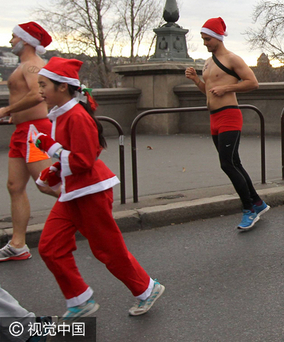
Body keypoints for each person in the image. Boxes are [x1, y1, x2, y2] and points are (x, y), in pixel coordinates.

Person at [34, 57, 164, 319]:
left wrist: (48, 147)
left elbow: (82, 160)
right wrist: (54, 171)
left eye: (43, 84)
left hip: (91, 192)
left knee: (108, 249)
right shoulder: (64, 114)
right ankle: (79, 299)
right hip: (75, 192)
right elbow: (74, 156)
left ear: (61, 87)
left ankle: (146, 289)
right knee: (50, 246)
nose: (39, 91)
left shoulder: (76, 116)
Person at [185, 17, 268, 231]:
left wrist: (227, 89)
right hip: (214, 117)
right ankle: (258, 203)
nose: (205, 43)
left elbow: (253, 83)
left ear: (217, 37)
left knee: (227, 164)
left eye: (207, 39)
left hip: (229, 115)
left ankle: (249, 210)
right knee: (234, 163)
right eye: (203, 39)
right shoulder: (208, 62)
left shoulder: (232, 59)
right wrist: (196, 80)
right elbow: (209, 90)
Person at [0, 23, 58, 263]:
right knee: (14, 186)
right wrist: (16, 114)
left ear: (26, 40)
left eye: (14, 37)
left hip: (34, 133)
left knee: (46, 184)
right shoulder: (26, 66)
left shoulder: (33, 66)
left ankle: (95, 211)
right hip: (23, 131)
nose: (11, 40)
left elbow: (37, 94)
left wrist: (7, 109)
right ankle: (18, 244)